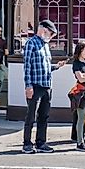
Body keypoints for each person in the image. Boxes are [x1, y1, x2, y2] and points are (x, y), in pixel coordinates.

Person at [21, 19, 65, 154]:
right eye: (51, 34)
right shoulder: (31, 43)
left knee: (44, 116)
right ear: (44, 30)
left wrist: (56, 67)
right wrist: (28, 86)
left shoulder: (45, 45)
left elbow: (44, 67)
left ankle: (41, 142)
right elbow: (27, 66)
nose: (51, 37)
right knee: (31, 116)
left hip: (46, 85)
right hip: (35, 85)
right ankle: (27, 143)